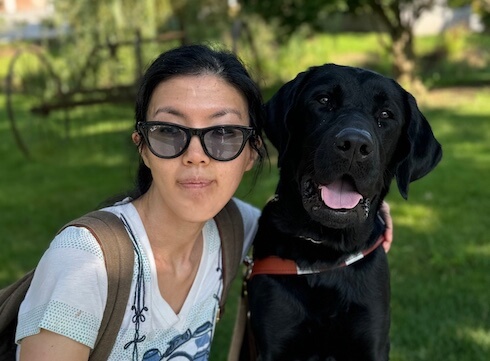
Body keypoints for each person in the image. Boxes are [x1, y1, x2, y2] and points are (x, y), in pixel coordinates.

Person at [14, 44, 393, 360]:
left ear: (251, 153)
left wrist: (363, 210)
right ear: (142, 148)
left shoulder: (234, 229)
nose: (196, 154)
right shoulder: (85, 263)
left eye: (224, 133)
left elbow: (299, 228)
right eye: (168, 131)